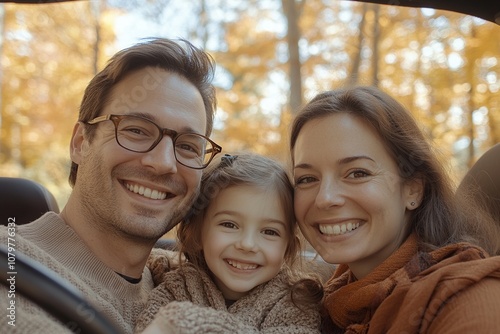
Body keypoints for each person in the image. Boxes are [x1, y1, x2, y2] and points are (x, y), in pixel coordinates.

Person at [0, 38, 221, 333]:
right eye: (136, 130)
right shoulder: (11, 266)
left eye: (189, 146)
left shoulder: (194, 285)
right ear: (80, 143)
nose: (163, 162)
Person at [289, 86, 500, 333]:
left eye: (357, 173)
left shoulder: (467, 302)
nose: (325, 198)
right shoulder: (320, 302)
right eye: (306, 179)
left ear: (413, 189)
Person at [134, 153, 323, 334]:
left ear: (288, 247)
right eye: (229, 225)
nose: (247, 244)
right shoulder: (177, 287)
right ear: (198, 233)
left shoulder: (296, 300)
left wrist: (186, 321)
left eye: (269, 232)